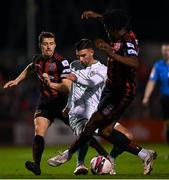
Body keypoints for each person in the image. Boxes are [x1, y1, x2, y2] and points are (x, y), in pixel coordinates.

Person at [47, 36, 156, 175]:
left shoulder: (103, 70)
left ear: (92, 52)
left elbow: (92, 82)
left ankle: (114, 158)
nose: (80, 59)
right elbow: (73, 88)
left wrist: (75, 78)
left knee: (127, 135)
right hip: (78, 114)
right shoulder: (74, 65)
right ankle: (78, 161)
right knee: (86, 132)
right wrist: (68, 105)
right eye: (78, 56)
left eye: (83, 55)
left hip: (97, 112)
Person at [3, 31, 71, 175]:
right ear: (40, 46)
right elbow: (30, 68)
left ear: (55, 45)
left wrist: (50, 83)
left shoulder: (62, 62)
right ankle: (36, 165)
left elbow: (66, 88)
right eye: (45, 44)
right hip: (45, 103)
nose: (49, 47)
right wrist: (16, 80)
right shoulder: (37, 60)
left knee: (83, 131)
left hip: (63, 103)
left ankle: (103, 154)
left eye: (51, 44)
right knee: (39, 130)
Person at [142, 44, 169, 146]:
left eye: (167, 50)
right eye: (164, 50)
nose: (165, 52)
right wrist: (146, 97)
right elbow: (151, 81)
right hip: (165, 98)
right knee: (167, 125)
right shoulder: (158, 65)